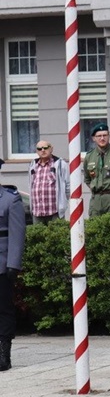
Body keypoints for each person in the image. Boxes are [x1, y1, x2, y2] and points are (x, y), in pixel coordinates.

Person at [0, 159, 25, 372]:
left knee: (4, 310)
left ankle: (3, 354)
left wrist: (13, 265)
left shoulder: (10, 200)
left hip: (1, 264)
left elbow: (17, 234)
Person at [28, 140, 70, 224]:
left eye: (45, 148)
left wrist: (63, 204)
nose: (42, 150)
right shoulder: (33, 165)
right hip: (37, 212)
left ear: (51, 149)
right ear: (37, 151)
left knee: (57, 236)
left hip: (55, 212)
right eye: (39, 149)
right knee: (38, 236)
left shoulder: (60, 164)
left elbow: (68, 187)